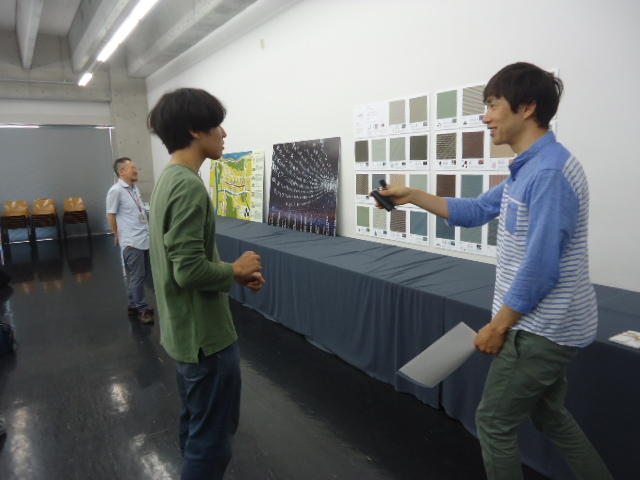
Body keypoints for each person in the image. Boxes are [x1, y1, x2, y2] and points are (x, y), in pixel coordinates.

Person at [379, 62, 612, 480]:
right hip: (547, 326)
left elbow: (541, 268)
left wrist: (499, 326)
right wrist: (411, 194)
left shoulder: (548, 174)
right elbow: (475, 211)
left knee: (493, 423)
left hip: (540, 330)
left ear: (527, 107)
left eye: (492, 105)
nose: (484, 117)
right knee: (550, 416)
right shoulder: (531, 168)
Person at [147, 87, 265, 480]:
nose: (224, 134)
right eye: (217, 125)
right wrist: (235, 270)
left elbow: (182, 263)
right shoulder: (187, 185)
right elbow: (189, 271)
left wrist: (233, 272)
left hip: (184, 334)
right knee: (211, 446)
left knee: (196, 430)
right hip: (206, 342)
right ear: (196, 130)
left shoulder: (168, 179)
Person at [106, 157, 154, 324]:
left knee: (138, 276)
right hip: (132, 241)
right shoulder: (116, 191)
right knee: (138, 276)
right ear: (122, 172)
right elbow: (110, 215)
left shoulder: (134, 189)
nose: (136, 170)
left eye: (135, 167)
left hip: (143, 238)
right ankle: (142, 309)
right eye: (132, 168)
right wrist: (116, 234)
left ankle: (133, 305)